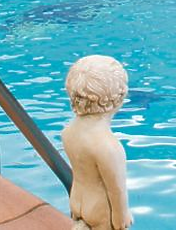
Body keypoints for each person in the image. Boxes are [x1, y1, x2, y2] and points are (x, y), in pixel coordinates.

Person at [62, 55, 132, 230]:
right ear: (119, 97)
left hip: (77, 201)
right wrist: (121, 217)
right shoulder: (107, 146)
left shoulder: (69, 130)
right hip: (100, 211)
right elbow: (116, 190)